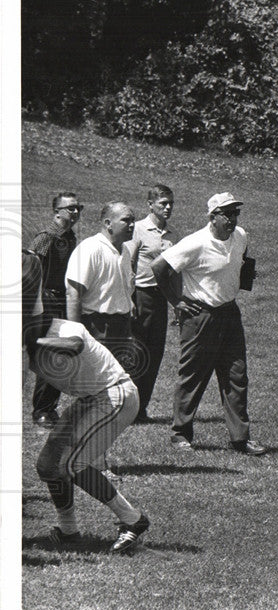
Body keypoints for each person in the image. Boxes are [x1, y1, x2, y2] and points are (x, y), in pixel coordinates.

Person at [23, 257, 150, 554]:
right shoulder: (27, 342)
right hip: (91, 399)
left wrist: (34, 342)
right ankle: (68, 531)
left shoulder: (65, 330)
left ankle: (133, 520)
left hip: (114, 396)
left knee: (72, 465)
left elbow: (74, 346)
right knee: (47, 466)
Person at [150, 191, 266, 456]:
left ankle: (240, 438)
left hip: (229, 313)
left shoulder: (240, 236)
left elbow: (241, 259)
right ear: (213, 217)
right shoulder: (195, 243)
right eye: (227, 214)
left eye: (236, 213)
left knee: (236, 375)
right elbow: (159, 267)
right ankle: (180, 434)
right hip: (200, 316)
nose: (233, 219)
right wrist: (176, 301)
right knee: (192, 375)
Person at [29, 191, 82, 427]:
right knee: (50, 355)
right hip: (47, 300)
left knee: (61, 354)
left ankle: (50, 408)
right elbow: (30, 269)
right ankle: (41, 410)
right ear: (56, 211)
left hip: (64, 299)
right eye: (70, 208)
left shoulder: (71, 237)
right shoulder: (46, 237)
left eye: (78, 207)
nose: (76, 211)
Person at [65, 201, 137, 362]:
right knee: (93, 382)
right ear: (108, 223)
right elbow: (73, 294)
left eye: (133, 220)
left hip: (121, 327)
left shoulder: (125, 251)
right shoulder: (90, 249)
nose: (132, 225)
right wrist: (77, 334)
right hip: (97, 328)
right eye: (126, 220)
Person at [130, 185, 178, 422]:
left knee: (155, 353)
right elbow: (127, 265)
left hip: (160, 299)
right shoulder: (138, 229)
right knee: (137, 352)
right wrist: (128, 298)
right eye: (162, 203)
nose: (168, 207)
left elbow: (173, 272)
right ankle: (127, 408)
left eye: (170, 203)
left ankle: (141, 409)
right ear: (150, 205)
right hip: (139, 296)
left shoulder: (171, 234)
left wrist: (177, 303)